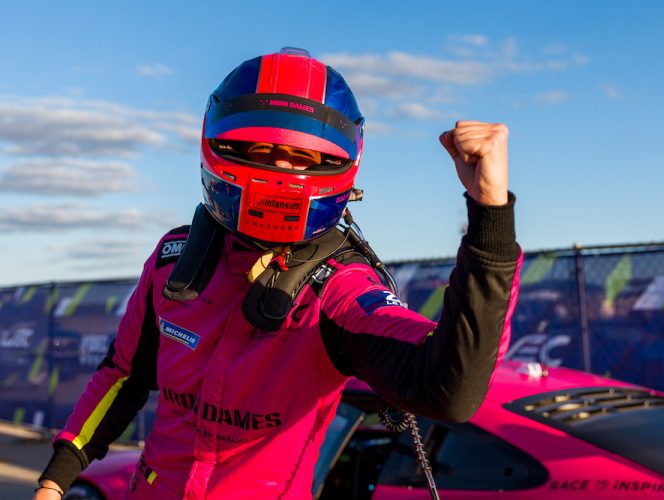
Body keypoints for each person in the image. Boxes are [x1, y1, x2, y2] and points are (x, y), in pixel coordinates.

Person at [34, 47, 522, 499]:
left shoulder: (339, 289)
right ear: (220, 144)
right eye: (261, 152)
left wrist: (490, 214)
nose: (283, 171)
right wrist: (56, 480)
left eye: (305, 158)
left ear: (340, 164)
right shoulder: (173, 260)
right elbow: (124, 374)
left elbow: (451, 387)